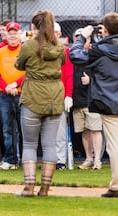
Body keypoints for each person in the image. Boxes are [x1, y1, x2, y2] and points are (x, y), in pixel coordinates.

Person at [70, 12, 118, 198]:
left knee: (115, 146)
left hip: (108, 103)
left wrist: (83, 37)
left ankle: (117, 186)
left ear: (104, 29)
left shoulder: (99, 49)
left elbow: (75, 56)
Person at [14, 10, 65, 197]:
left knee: (29, 144)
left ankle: (28, 187)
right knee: (50, 145)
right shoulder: (59, 46)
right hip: (55, 97)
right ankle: (44, 189)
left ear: (34, 26)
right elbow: (63, 61)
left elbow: (18, 65)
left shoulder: (29, 46)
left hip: (34, 96)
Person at [0, 21, 25, 170]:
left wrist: (15, 85)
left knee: (23, 127)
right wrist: (6, 87)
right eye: (10, 33)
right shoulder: (0, 52)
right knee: (6, 128)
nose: (12, 36)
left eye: (15, 33)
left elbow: (28, 72)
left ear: (19, 34)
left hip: (21, 94)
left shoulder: (25, 51)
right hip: (4, 95)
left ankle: (25, 158)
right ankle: (10, 159)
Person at [70, 28, 104, 171]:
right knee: (84, 131)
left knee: (95, 129)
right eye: (77, 37)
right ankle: (89, 158)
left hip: (92, 100)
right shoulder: (72, 56)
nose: (81, 40)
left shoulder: (95, 54)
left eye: (82, 37)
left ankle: (98, 160)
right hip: (77, 100)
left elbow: (104, 75)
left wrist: (91, 80)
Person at [53, 22, 74, 170]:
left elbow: (69, 74)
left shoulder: (65, 51)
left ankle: (60, 160)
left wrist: (68, 95)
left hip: (59, 94)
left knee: (60, 129)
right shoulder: (40, 50)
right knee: (46, 129)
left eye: (55, 32)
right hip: (45, 93)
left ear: (59, 34)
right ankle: (50, 158)